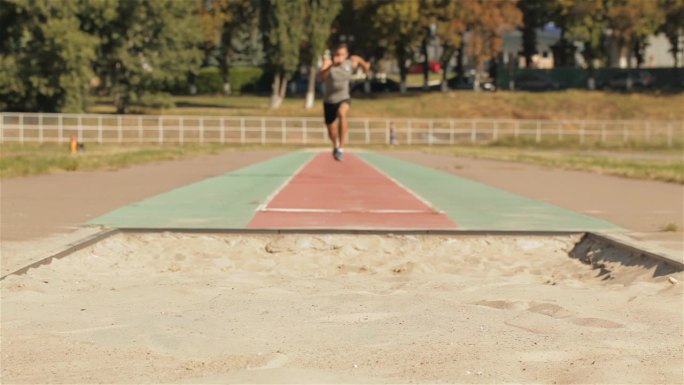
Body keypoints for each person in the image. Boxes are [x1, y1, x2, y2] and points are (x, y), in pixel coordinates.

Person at [319, 43, 371, 161]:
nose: (340, 57)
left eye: (342, 54)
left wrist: (365, 67)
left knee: (342, 113)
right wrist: (331, 65)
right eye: (337, 54)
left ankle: (341, 148)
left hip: (344, 97)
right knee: (331, 131)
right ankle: (335, 145)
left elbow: (358, 59)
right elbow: (322, 77)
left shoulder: (349, 63)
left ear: (346, 55)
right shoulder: (328, 63)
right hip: (329, 101)